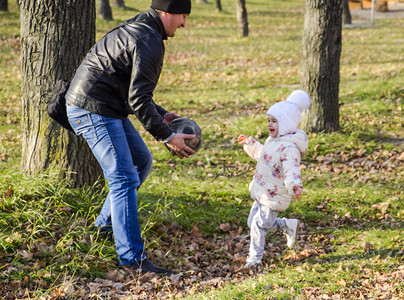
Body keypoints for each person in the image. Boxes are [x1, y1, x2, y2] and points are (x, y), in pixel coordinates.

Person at [65, 0, 194, 275]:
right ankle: (132, 259)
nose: (184, 23)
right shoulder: (149, 40)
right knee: (124, 176)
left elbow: (135, 92)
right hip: (92, 107)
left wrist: (163, 115)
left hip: (105, 106)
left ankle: (103, 228)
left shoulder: (142, 28)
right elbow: (138, 99)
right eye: (183, 15)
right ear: (167, 12)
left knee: (140, 162)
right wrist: (167, 135)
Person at [237, 90, 311, 269]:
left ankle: (254, 260)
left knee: (258, 225)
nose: (270, 124)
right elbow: (265, 155)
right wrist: (251, 145)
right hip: (262, 190)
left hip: (274, 195)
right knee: (253, 222)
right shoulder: (273, 141)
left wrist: (294, 184)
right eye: (269, 120)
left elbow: (292, 168)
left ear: (285, 124)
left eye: (274, 121)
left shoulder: (289, 148)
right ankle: (288, 225)